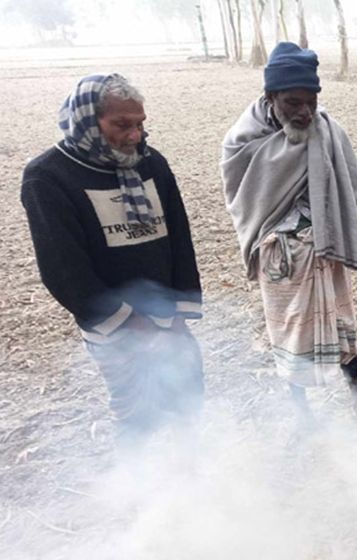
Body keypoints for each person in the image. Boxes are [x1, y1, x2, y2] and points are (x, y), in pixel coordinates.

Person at [21, 74, 203, 445]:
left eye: (139, 124)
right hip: (116, 328)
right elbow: (62, 270)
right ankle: (138, 494)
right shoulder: (48, 177)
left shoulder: (152, 164)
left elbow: (180, 241)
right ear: (89, 120)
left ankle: (194, 482)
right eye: (121, 125)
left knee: (189, 403)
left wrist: (180, 312)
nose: (135, 135)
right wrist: (131, 324)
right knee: (137, 414)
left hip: (169, 318)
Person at [221, 42, 357, 423]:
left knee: (344, 327)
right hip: (280, 259)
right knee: (290, 334)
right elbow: (244, 201)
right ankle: (303, 416)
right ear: (270, 96)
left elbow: (350, 187)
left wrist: (329, 222)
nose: (305, 112)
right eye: (293, 103)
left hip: (326, 250)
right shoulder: (243, 140)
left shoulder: (327, 129)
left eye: (311, 101)